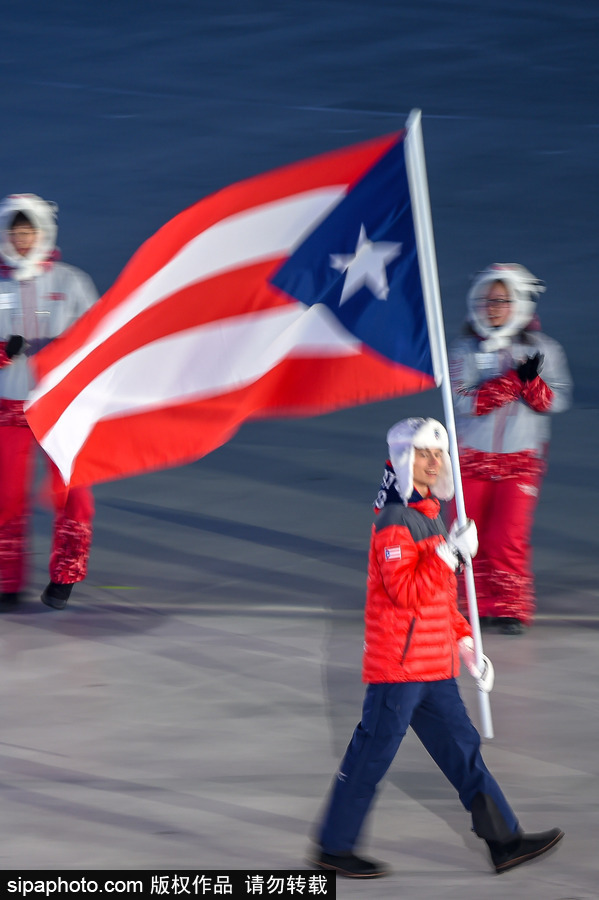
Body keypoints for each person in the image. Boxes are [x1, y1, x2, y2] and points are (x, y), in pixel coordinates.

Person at [308, 417, 564, 878]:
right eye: (424, 453)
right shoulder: (393, 520)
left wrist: (466, 642)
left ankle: (504, 841)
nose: (434, 462)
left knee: (463, 751)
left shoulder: (430, 516)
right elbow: (404, 591)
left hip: (435, 666)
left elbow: (441, 597)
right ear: (404, 459)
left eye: (439, 453)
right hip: (399, 670)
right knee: (371, 756)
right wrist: (449, 553)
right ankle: (333, 847)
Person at [449, 263, 573, 635]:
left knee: (507, 535)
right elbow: (464, 402)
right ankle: (468, 604)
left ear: (518, 303)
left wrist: (531, 384)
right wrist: (513, 381)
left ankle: (507, 607)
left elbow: (557, 400)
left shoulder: (545, 349)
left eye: (502, 300)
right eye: (488, 300)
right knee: (466, 535)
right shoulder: (463, 349)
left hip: (520, 462)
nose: (494, 307)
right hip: (471, 459)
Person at [0, 193, 98, 610]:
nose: (22, 239)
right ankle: (7, 580)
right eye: (15, 232)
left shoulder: (70, 282)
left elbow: (98, 339)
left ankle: (66, 574)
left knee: (73, 489)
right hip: (9, 406)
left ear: (44, 233)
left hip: (61, 407)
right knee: (7, 496)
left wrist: (68, 349)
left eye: (29, 231)